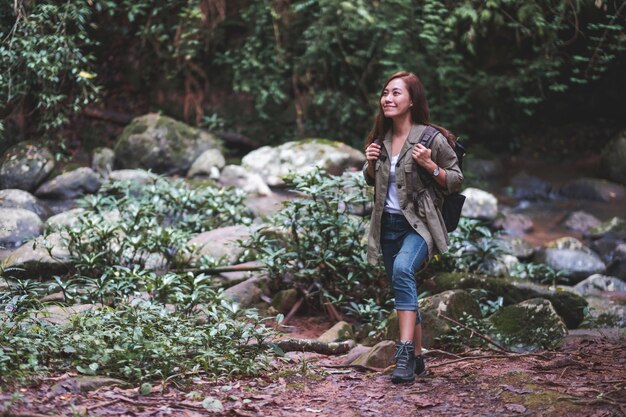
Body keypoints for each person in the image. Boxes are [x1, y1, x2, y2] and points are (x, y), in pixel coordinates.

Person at [362, 71, 463, 384]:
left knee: (404, 271)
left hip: (419, 225)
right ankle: (418, 359)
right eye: (385, 93)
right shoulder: (380, 141)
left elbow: (456, 180)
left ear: (411, 101)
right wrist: (368, 162)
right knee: (402, 287)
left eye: (396, 93)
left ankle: (404, 352)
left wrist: (431, 166)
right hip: (387, 225)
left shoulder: (431, 138)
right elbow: (372, 179)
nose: (388, 99)